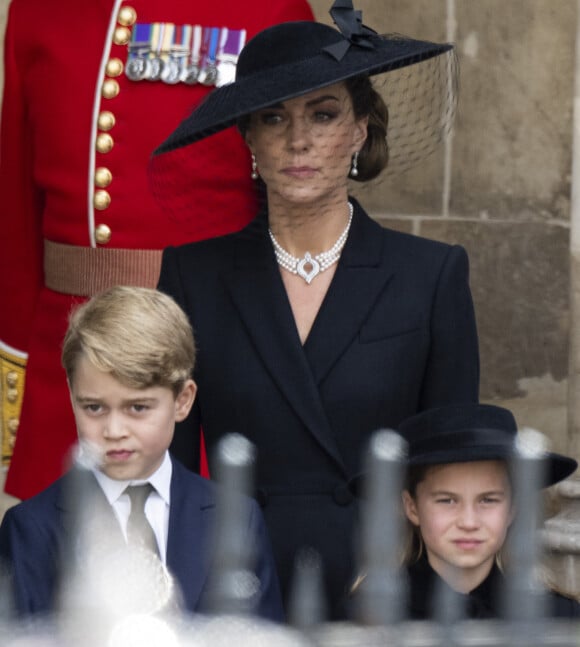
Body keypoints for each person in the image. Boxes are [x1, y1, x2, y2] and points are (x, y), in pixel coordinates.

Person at [153, 0, 480, 618]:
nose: (298, 140)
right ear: (249, 135)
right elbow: (169, 467)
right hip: (238, 587)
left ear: (359, 129)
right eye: (274, 117)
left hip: (383, 591)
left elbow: (452, 469)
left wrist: (399, 571)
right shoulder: (193, 275)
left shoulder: (430, 275)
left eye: (323, 114)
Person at [0, 0, 314, 500]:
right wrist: (14, 369)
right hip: (64, 373)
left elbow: (297, 204)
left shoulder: (268, 9)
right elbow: (15, 208)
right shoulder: (39, 13)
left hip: (206, 361)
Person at [0, 286, 283, 620]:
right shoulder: (30, 528)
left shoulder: (236, 518)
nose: (114, 430)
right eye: (94, 407)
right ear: (71, 394)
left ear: (183, 400)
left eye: (137, 407)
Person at [398, 403, 580, 619]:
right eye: (447, 500)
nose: (469, 522)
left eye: (487, 500)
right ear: (412, 507)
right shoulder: (366, 619)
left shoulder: (558, 618)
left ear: (513, 507)